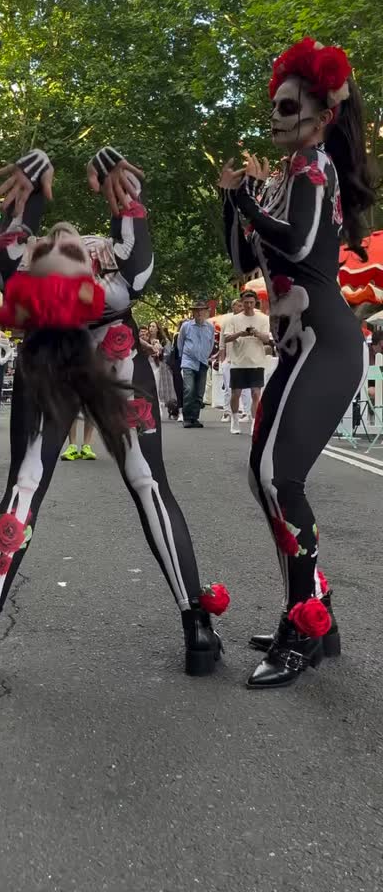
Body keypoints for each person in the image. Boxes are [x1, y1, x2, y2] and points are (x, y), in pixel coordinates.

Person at [0, 146, 228, 682]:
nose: (63, 235)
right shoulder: (114, 272)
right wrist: (112, 179)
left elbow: (7, 251)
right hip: (108, 355)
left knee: (26, 486)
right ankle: (196, 625)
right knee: (146, 483)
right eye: (59, 240)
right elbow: (138, 252)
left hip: (57, 359)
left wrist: (32, 184)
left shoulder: (26, 269)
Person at [220, 37, 375, 689]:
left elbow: (306, 247)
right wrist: (235, 200)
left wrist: (251, 204)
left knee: (279, 479)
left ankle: (304, 625)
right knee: (263, 478)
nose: (277, 117)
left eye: (288, 106)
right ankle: (316, 616)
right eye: (274, 108)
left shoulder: (316, 171)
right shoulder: (287, 179)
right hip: (299, 347)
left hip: (327, 343)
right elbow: (243, 261)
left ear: (320, 115)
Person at [220, 290, 271, 434]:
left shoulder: (263, 319)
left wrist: (255, 332)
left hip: (257, 362)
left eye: (251, 303)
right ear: (242, 303)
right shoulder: (233, 320)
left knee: (256, 393)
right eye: (246, 303)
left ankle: (254, 423)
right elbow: (227, 338)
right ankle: (234, 419)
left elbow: (267, 339)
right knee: (236, 393)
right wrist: (240, 333)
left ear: (255, 303)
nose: (248, 305)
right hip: (238, 362)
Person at [176, 300, 215, 428]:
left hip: (203, 362)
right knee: (189, 389)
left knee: (199, 392)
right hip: (188, 362)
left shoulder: (210, 327)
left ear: (205, 312)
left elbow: (210, 344)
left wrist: (205, 356)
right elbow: (180, 343)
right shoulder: (186, 326)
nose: (199, 312)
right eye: (196, 310)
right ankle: (187, 418)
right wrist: (184, 357)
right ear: (193, 312)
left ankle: (194, 418)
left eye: (201, 310)